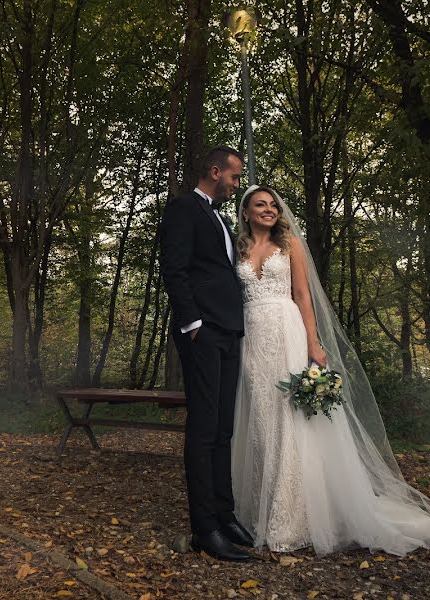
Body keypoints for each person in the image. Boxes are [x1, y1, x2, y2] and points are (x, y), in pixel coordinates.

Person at [231, 185, 430, 556]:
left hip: (287, 331)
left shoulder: (290, 246)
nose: (268, 210)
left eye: (272, 205)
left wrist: (314, 344)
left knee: (292, 419)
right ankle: (261, 513)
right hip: (251, 338)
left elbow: (303, 296)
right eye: (259, 205)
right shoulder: (238, 249)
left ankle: (295, 517)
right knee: (263, 423)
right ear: (246, 213)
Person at [158, 146, 254, 561]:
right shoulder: (183, 209)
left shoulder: (220, 219)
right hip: (203, 332)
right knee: (203, 429)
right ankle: (205, 529)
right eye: (233, 178)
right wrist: (192, 324)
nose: (236, 185)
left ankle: (224, 513)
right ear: (215, 172)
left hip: (230, 331)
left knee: (224, 430)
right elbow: (174, 268)